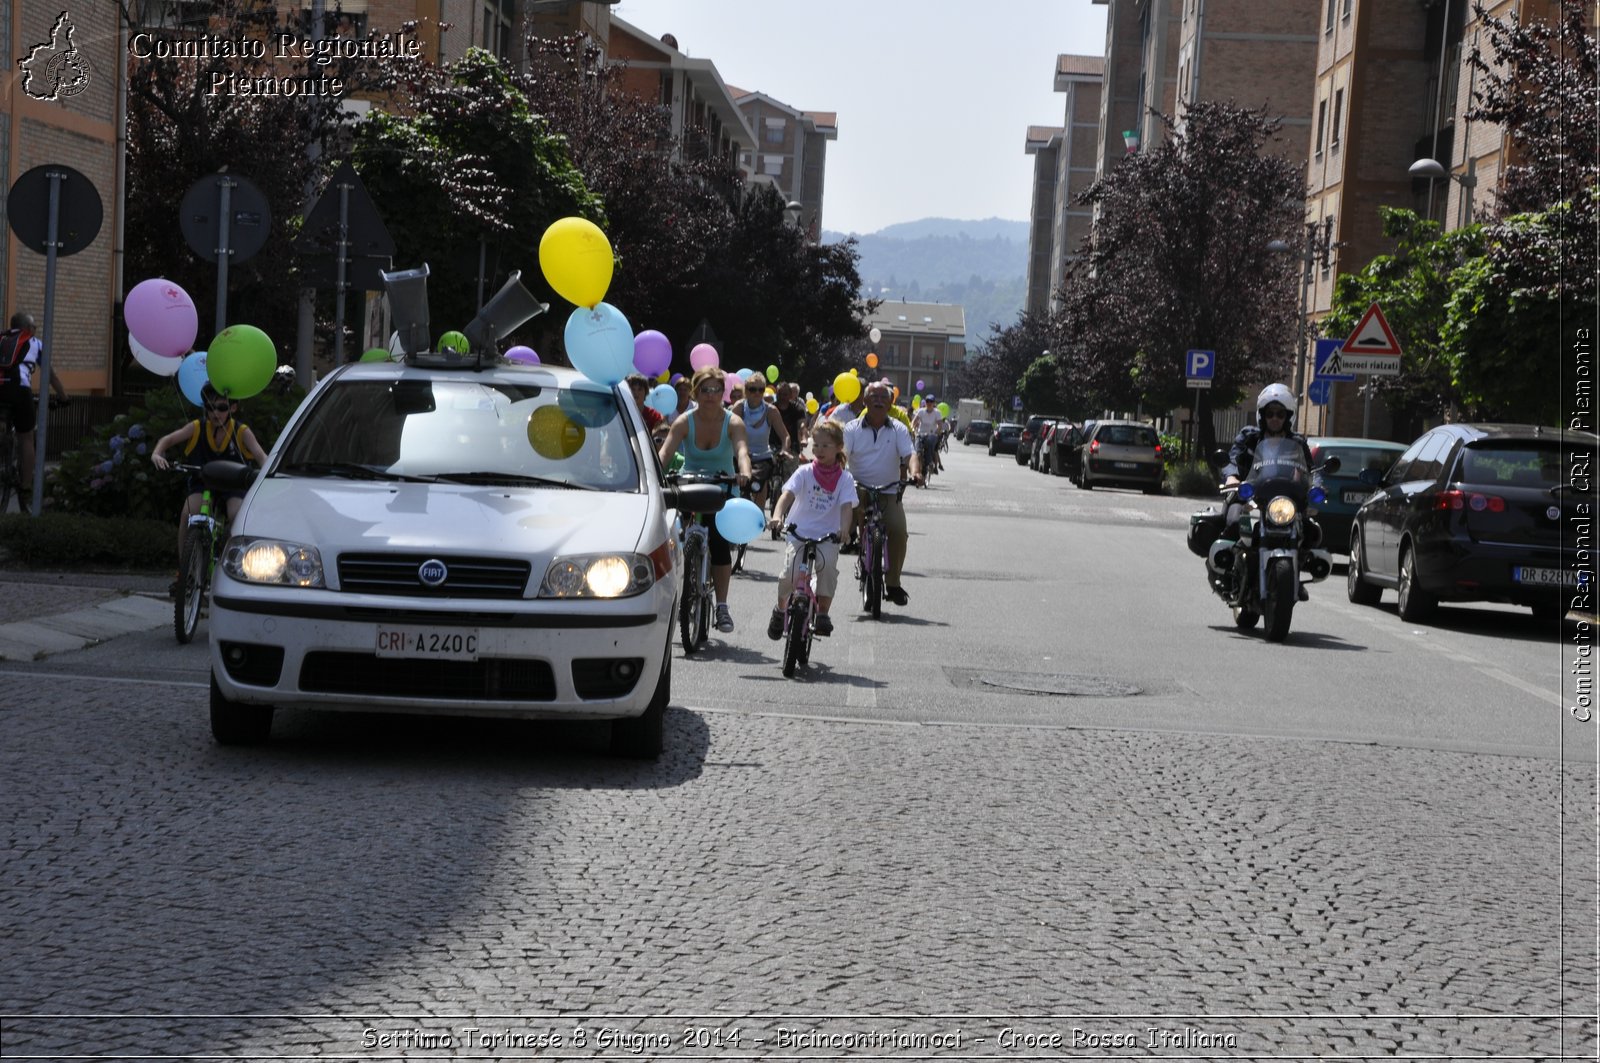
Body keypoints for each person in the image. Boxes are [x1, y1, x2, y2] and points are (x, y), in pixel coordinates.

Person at [657, 367, 754, 633]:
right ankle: (678, 593)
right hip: (689, 486)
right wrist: (655, 475)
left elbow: (742, 451)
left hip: (721, 487)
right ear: (695, 392)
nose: (710, 396)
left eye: (716, 390)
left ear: (722, 393)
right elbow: (665, 453)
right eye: (705, 390)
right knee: (670, 540)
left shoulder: (732, 422)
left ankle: (722, 606)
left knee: (720, 544)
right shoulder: (683, 421)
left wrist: (744, 472)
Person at [151, 383, 270, 573]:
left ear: (233, 408)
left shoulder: (241, 431)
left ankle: (235, 563)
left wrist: (268, 477)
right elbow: (168, 440)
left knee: (236, 515)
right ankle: (184, 570)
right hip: (204, 483)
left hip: (233, 485)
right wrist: (157, 454)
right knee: (187, 514)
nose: (215, 413)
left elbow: (262, 457)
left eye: (222, 408)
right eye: (210, 407)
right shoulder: (197, 427)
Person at [1214, 383, 1320, 584]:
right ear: (1262, 415)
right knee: (1234, 521)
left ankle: (1295, 576)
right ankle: (1227, 570)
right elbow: (1233, 458)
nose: (1274, 418)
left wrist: (1316, 485)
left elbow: (1311, 469)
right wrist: (1232, 476)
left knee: (1310, 530)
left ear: (1288, 416)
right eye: (1270, 413)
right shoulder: (1249, 437)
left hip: (1285, 499)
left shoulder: (1297, 442)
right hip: (1250, 496)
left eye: (1280, 414)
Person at [766, 420, 857, 641]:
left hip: (828, 535)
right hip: (799, 531)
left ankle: (823, 613)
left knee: (826, 570)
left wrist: (844, 530)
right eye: (816, 445)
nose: (819, 450)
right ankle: (780, 610)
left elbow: (846, 507)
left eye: (825, 446)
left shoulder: (845, 479)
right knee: (790, 573)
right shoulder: (804, 471)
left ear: (838, 448)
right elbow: (786, 495)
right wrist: (777, 516)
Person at [841, 380, 921, 606]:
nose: (878, 400)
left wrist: (915, 472)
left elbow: (909, 455)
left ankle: (893, 583)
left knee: (898, 531)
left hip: (888, 491)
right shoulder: (852, 428)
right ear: (864, 401)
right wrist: (836, 472)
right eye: (873, 396)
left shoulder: (899, 429)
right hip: (857, 488)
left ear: (891, 402)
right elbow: (843, 455)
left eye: (883, 397)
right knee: (839, 527)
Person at [0, 313, 69, 505]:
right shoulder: (35, 343)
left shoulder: (1, 339)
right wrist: (64, 398)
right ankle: (26, 487)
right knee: (26, 438)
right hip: (19, 390)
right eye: (35, 327)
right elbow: (51, 376)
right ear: (28, 329)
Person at [732, 373, 792, 516]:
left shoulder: (770, 411)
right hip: (739, 455)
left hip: (762, 456)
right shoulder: (739, 408)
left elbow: (785, 436)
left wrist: (784, 449)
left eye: (761, 389)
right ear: (746, 391)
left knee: (761, 482)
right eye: (753, 389)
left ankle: (758, 516)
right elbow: (726, 431)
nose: (757, 393)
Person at [911, 400, 944, 476]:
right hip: (921, 433)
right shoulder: (921, 411)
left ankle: (930, 463)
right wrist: (913, 429)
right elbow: (914, 422)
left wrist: (937, 431)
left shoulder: (937, 412)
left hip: (932, 434)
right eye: (927, 402)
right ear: (925, 403)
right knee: (917, 450)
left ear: (933, 404)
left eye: (931, 402)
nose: (929, 404)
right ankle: (917, 468)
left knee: (931, 445)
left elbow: (940, 425)